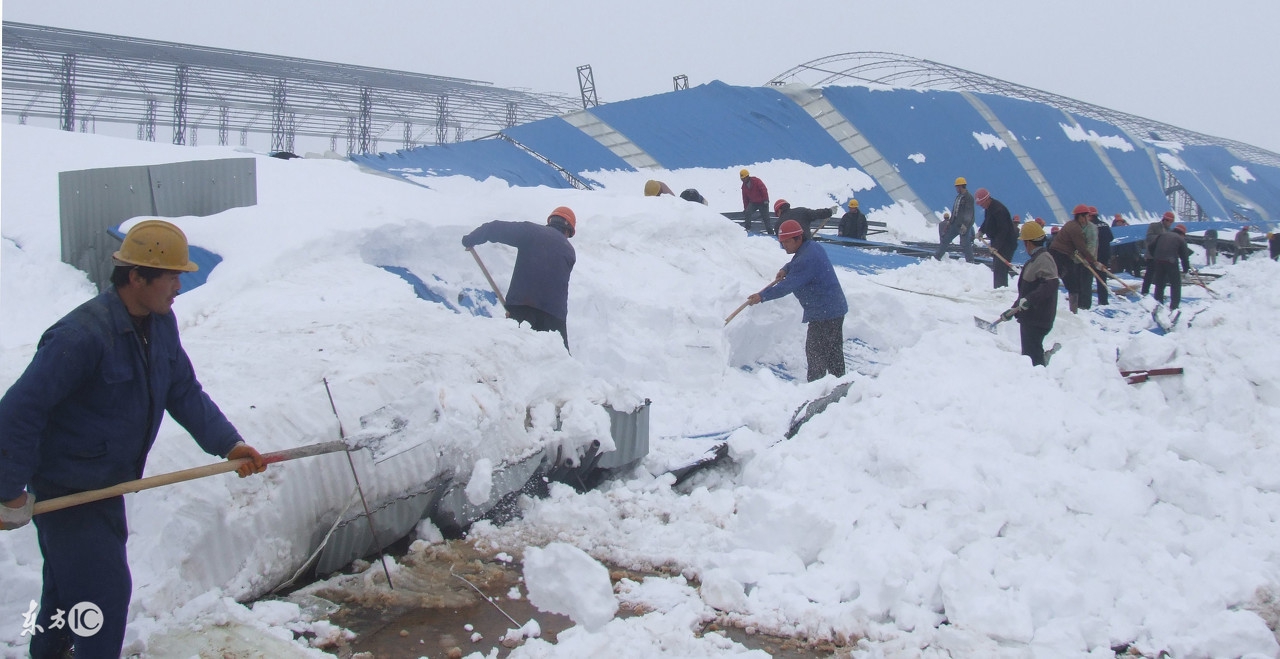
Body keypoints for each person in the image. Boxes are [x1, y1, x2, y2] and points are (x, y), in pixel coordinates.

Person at [0, 219, 268, 658]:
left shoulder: (159, 323)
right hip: (70, 493)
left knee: (67, 592)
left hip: (106, 486)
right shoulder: (81, 337)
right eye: (171, 275)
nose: (180, 285)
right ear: (136, 277)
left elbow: (180, 388)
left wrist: (229, 444)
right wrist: (8, 490)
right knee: (102, 598)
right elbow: (20, 409)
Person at [746, 219, 849, 382]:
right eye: (782, 242)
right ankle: (840, 383)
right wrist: (785, 268)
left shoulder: (806, 260)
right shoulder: (811, 248)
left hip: (824, 314)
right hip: (833, 309)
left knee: (816, 354)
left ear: (798, 238)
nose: (784, 246)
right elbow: (796, 262)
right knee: (833, 352)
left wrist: (762, 296)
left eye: (787, 242)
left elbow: (786, 287)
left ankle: (816, 390)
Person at [462, 207, 577, 349]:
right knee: (556, 362)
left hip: (522, 307)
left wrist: (470, 239)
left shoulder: (531, 232)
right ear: (568, 230)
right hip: (554, 317)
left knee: (514, 353)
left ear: (551, 221)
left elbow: (495, 228)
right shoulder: (570, 251)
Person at [1001, 221, 1059, 366]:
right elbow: (1027, 292)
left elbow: (1050, 285)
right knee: (1031, 353)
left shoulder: (1043, 259)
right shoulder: (1036, 259)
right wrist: (1013, 310)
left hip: (1037, 317)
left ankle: (1039, 379)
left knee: (1032, 357)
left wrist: (1029, 300)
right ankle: (1040, 369)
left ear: (1028, 243)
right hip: (1032, 316)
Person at [1048, 204, 1103, 313]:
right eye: (1087, 216)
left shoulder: (1071, 225)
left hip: (1060, 255)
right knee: (1072, 285)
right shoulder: (1076, 229)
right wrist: (1094, 261)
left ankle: (1073, 310)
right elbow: (1082, 248)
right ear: (1081, 217)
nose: (1088, 219)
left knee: (1066, 282)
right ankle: (1073, 312)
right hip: (1060, 256)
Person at [974, 188, 1016, 288]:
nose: (982, 206)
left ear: (987, 199)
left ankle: (1001, 290)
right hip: (998, 242)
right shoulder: (989, 208)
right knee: (997, 268)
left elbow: (1003, 230)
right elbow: (987, 221)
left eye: (982, 204)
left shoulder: (999, 210)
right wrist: (981, 231)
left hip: (1006, 243)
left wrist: (996, 246)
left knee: (1000, 268)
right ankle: (999, 288)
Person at [1151, 224, 1193, 310]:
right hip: (1171, 262)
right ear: (1182, 233)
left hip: (1158, 261)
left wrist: (1155, 256)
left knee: (1159, 284)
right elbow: (1184, 257)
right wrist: (1186, 270)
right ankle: (1174, 306)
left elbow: (1150, 246)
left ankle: (1158, 304)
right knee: (1175, 284)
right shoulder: (1180, 239)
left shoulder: (1162, 235)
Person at [934, 176, 975, 262]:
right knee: (945, 240)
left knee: (965, 243)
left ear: (960, 186)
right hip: (954, 223)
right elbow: (955, 210)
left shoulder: (968, 197)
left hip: (963, 225)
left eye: (956, 187)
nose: (956, 188)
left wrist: (965, 225)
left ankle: (970, 261)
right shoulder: (958, 197)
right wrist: (950, 221)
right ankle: (937, 257)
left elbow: (969, 213)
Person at [1141, 212, 1174, 294]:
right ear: (1165, 220)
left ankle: (1160, 293)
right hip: (1152, 256)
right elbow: (1149, 238)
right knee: (1149, 275)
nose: (1170, 224)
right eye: (1169, 221)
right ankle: (1145, 292)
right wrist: (1161, 237)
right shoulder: (1154, 226)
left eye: (1171, 222)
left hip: (1163, 257)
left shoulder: (1170, 231)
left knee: (1163, 277)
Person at [1092, 212, 1114, 305]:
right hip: (1105, 254)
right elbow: (1111, 237)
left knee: (1088, 278)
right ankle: (1104, 300)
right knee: (1102, 278)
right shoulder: (1105, 224)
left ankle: (1084, 302)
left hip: (1095, 255)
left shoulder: (1091, 226)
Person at [739, 168, 771, 234]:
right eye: (742, 178)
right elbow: (745, 199)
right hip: (753, 203)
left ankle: (770, 232)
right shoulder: (744, 187)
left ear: (747, 176)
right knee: (747, 212)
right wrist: (746, 208)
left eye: (744, 178)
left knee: (766, 218)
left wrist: (766, 200)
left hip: (763, 202)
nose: (743, 180)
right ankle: (747, 228)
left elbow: (763, 190)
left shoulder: (756, 181)